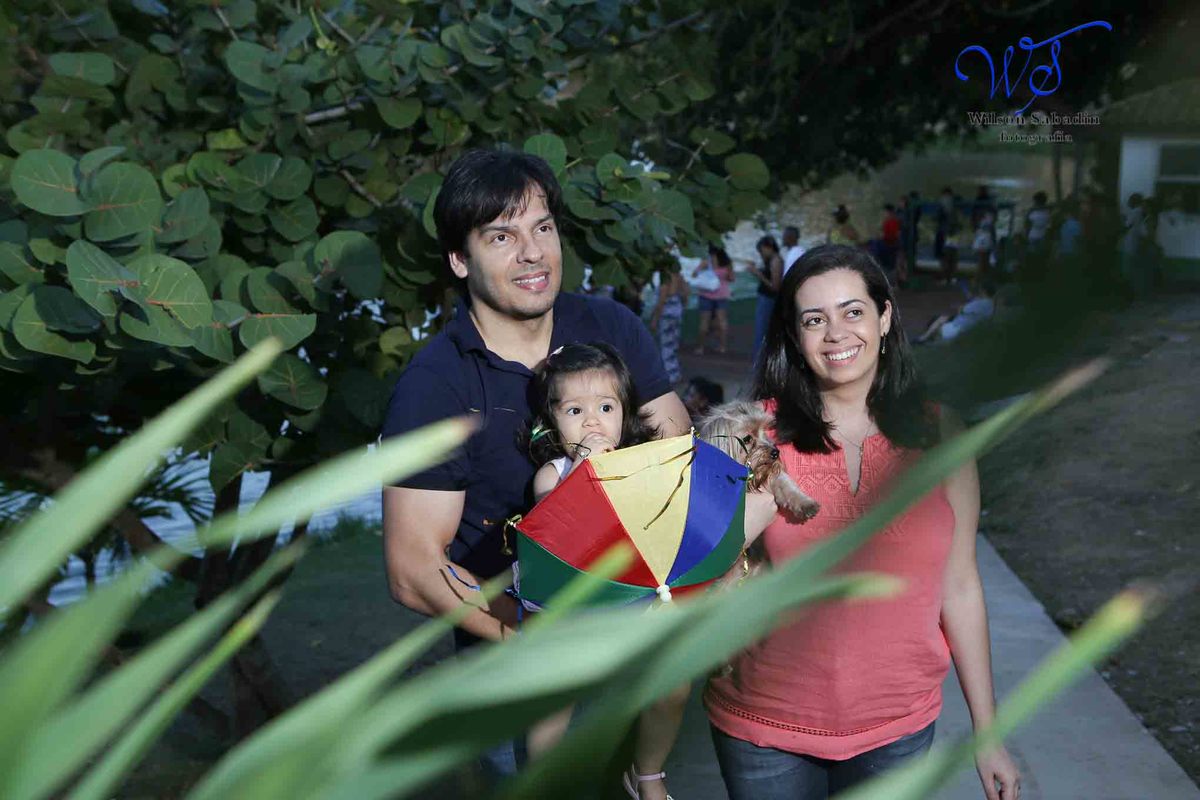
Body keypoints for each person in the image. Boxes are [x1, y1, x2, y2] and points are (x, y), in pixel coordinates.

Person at [379, 149, 690, 781]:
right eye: (502, 236)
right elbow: (414, 568)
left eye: (542, 228)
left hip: (633, 636)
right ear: (460, 259)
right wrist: (531, 644)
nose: (531, 253)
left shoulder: (611, 329)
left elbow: (675, 448)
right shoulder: (436, 385)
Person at [705, 244, 1021, 800]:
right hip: (764, 727)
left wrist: (988, 732)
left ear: (885, 317)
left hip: (898, 729)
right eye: (814, 319)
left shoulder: (943, 434)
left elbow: (961, 585)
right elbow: (700, 568)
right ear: (794, 337)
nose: (836, 333)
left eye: (853, 311)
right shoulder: (751, 434)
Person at [518, 342, 689, 798]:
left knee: (673, 685)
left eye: (606, 406)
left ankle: (648, 771)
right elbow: (558, 519)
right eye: (575, 410)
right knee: (552, 703)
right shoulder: (553, 473)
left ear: (626, 412)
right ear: (552, 421)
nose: (592, 422)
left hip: (629, 604)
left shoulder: (640, 464)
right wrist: (585, 467)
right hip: (569, 611)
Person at [916, 280, 998, 343]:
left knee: (941, 319)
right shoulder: (991, 304)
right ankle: (931, 336)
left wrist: (962, 306)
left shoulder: (979, 303)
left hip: (958, 330)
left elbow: (961, 310)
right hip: (971, 330)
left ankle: (924, 338)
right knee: (945, 318)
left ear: (983, 290)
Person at [750, 235, 785, 368]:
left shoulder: (776, 261)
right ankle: (760, 362)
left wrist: (758, 274)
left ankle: (759, 364)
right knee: (762, 330)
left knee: (761, 331)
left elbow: (775, 286)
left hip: (768, 299)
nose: (761, 254)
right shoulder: (772, 260)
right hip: (765, 299)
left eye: (762, 250)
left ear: (768, 248)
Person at [693, 244, 734, 355]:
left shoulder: (706, 262)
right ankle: (722, 347)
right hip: (722, 295)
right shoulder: (727, 262)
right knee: (722, 322)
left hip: (705, 295)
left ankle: (700, 347)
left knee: (704, 322)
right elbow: (732, 278)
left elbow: (694, 274)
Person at [649, 268, 688, 384]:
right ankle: (675, 373)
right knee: (673, 345)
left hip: (667, 312)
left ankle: (669, 376)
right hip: (676, 309)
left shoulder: (665, 278)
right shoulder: (679, 277)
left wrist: (654, 319)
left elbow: (661, 300)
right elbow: (686, 293)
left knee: (665, 345)